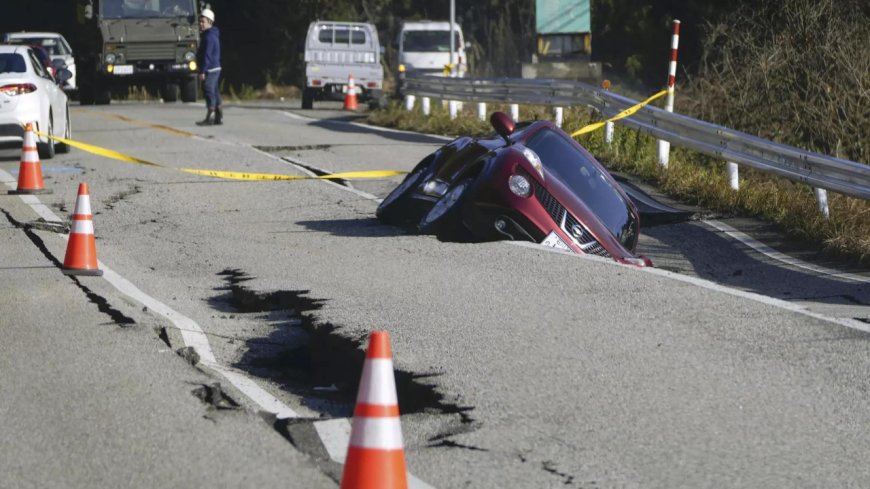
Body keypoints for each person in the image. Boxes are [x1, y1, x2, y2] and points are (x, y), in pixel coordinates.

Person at [196, 8, 222, 125]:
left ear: (210, 22)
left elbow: (207, 55)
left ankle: (211, 116)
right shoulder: (210, 34)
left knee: (208, 90)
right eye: (200, 21)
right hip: (215, 67)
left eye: (203, 22)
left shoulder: (209, 37)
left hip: (211, 69)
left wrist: (202, 71)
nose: (201, 24)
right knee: (215, 91)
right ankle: (218, 115)